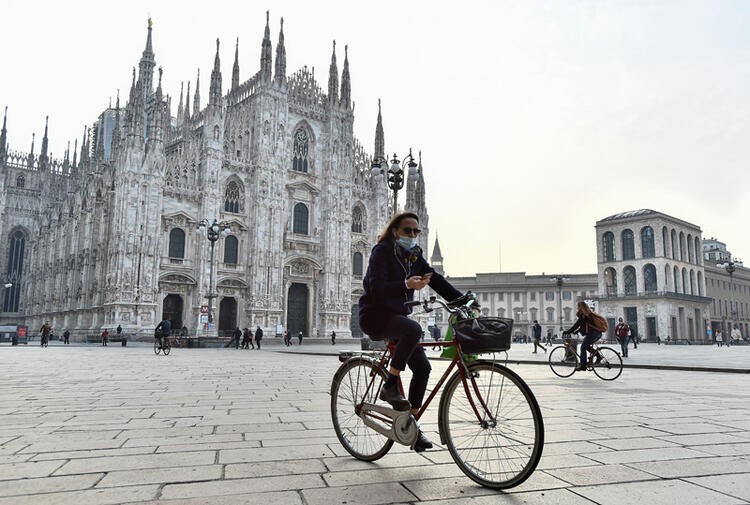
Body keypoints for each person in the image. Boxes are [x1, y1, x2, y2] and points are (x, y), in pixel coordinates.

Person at [358, 212, 462, 452]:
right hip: (374, 316)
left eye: (416, 231)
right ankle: (390, 385)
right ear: (395, 231)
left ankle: (411, 427)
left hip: (396, 317)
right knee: (413, 329)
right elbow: (377, 288)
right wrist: (406, 284)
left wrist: (462, 299)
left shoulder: (414, 256)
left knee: (423, 367)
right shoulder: (382, 251)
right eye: (408, 231)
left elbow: (434, 279)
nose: (413, 235)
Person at [562, 301, 604, 372]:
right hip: (597, 333)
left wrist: (567, 332)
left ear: (580, 307)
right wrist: (576, 331)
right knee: (586, 346)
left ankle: (583, 366)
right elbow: (583, 326)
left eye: (578, 307)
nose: (577, 308)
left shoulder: (583, 315)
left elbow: (576, 325)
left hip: (593, 334)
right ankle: (598, 356)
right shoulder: (588, 314)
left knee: (583, 347)